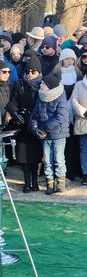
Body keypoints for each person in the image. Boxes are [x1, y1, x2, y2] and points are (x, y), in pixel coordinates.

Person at [7, 55, 43, 192]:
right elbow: (12, 102)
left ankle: (35, 181)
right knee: (23, 156)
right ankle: (27, 181)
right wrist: (15, 113)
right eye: (27, 72)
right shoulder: (19, 84)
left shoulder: (42, 85)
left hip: (36, 124)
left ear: (38, 72)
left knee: (35, 155)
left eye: (33, 72)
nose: (29, 75)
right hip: (22, 123)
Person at [30, 74, 69, 194]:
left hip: (58, 133)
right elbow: (34, 115)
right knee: (47, 159)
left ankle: (60, 182)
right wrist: (35, 127)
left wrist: (44, 129)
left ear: (50, 86)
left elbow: (61, 117)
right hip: (44, 134)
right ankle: (49, 183)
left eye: (43, 84)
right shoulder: (41, 97)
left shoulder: (60, 97)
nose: (41, 85)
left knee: (58, 159)